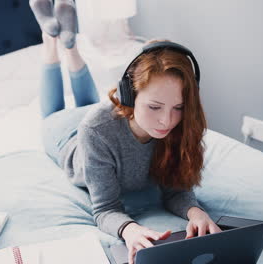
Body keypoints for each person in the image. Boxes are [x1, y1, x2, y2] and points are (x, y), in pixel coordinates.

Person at [30, 1, 222, 263]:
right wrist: (130, 230)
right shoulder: (95, 130)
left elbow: (176, 190)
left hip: (96, 119)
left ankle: (70, 45)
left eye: (178, 107)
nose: (167, 121)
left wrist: (195, 212)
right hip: (66, 136)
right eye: (154, 106)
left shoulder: (180, 124)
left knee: (88, 105)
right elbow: (105, 208)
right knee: (53, 112)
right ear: (129, 95)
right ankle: (51, 41)